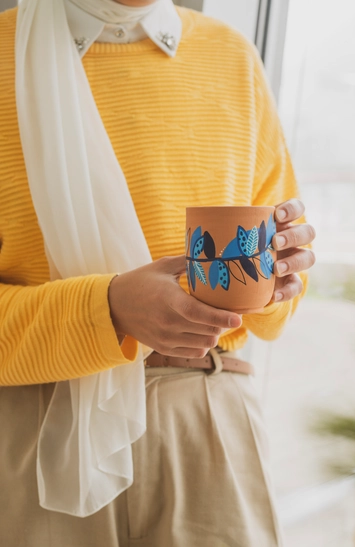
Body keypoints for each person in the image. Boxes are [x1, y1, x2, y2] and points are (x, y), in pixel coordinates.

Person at [0, 0, 316, 545]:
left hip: (208, 420)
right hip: (40, 428)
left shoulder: (231, 56)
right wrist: (110, 310)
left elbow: (275, 303)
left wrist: (278, 277)